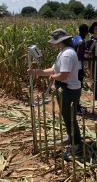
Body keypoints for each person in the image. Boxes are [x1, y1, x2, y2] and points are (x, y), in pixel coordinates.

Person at [28, 29, 82, 157]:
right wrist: (38, 72)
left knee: (69, 117)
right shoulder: (63, 53)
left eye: (54, 42)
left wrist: (53, 77)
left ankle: (75, 145)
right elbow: (54, 69)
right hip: (65, 89)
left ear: (60, 41)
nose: (52, 44)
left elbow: (63, 75)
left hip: (69, 90)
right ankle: (71, 137)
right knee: (67, 116)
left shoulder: (67, 54)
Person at [73, 24, 89, 114]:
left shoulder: (75, 37)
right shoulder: (81, 41)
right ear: (86, 32)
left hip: (73, 65)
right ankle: (77, 106)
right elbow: (79, 54)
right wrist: (87, 57)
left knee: (76, 84)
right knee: (78, 85)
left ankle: (75, 104)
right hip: (78, 66)